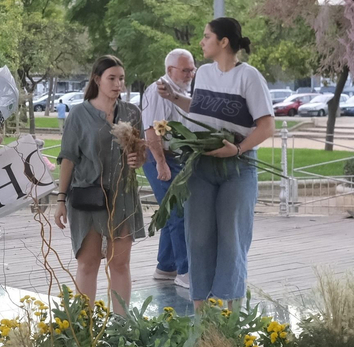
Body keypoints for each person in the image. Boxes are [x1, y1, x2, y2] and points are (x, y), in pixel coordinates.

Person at [158, 17, 275, 309]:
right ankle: (202, 317)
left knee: (232, 237)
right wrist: (174, 97)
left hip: (238, 166)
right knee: (197, 237)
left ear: (223, 42)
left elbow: (266, 126)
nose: (201, 41)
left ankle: (232, 313)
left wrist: (236, 149)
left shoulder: (249, 76)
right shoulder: (205, 74)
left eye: (206, 36)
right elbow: (200, 109)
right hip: (202, 164)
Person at [53, 55, 145, 314]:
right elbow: (68, 158)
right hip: (88, 197)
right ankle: (85, 325)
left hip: (123, 197)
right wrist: (60, 200)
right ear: (97, 80)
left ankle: (122, 326)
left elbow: (141, 151)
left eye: (121, 79)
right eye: (112, 78)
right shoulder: (79, 114)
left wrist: (138, 158)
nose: (118, 84)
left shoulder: (131, 113)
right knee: (88, 263)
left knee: (120, 263)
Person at [141, 47, 196, 291]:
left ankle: (166, 267)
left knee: (173, 209)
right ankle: (185, 271)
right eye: (185, 70)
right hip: (160, 156)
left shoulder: (182, 91)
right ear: (170, 70)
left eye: (192, 68)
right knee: (177, 212)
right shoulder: (159, 90)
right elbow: (152, 130)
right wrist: (161, 163)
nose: (190, 73)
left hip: (176, 156)